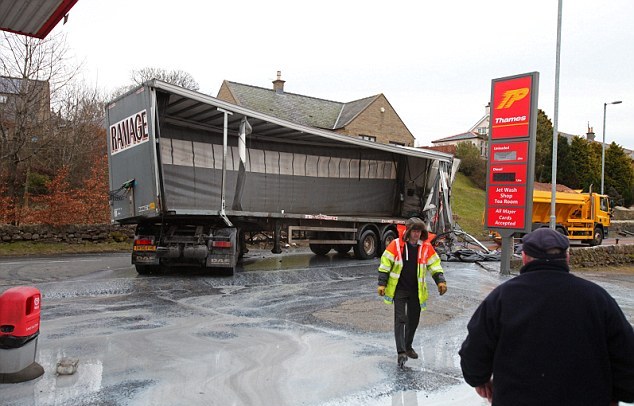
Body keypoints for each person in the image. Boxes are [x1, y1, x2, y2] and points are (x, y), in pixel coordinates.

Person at [459, 227, 634, 405]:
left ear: (525, 257)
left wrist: (479, 379)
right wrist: (619, 393)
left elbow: (475, 349)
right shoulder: (597, 298)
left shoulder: (501, 298)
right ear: (567, 257)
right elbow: (626, 355)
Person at [378, 217, 447, 368]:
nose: (416, 234)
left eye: (419, 231)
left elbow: (434, 265)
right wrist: (382, 283)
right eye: (414, 231)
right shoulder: (396, 245)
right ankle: (401, 352)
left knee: (413, 321)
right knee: (400, 319)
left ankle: (408, 347)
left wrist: (440, 281)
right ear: (408, 231)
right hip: (400, 289)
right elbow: (385, 264)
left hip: (416, 291)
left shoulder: (426, 247)